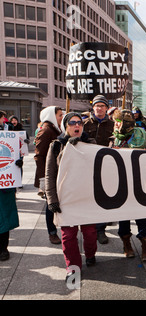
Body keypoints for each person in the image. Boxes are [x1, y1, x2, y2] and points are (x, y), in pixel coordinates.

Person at [45, 112, 97, 281]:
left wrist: (81, 148)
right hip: (66, 198)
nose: (77, 126)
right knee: (68, 235)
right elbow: (50, 174)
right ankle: (73, 267)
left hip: (86, 196)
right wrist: (52, 200)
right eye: (73, 123)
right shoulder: (56, 145)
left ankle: (90, 255)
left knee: (90, 232)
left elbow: (97, 167)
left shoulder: (90, 143)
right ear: (66, 127)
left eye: (80, 123)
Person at [110, 109, 146, 261]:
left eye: (117, 122)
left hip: (138, 182)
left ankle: (145, 246)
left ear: (125, 124)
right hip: (121, 184)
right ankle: (126, 245)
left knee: (141, 214)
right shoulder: (114, 138)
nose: (115, 125)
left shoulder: (141, 136)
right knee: (123, 215)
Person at [83, 95, 115, 244]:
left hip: (107, 165)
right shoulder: (84, 123)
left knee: (103, 197)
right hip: (88, 165)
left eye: (102, 106)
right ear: (93, 107)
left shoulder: (113, 124)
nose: (99, 108)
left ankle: (100, 229)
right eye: (97, 106)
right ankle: (90, 226)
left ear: (106, 108)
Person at [34, 106, 64, 244]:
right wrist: (43, 179)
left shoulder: (55, 129)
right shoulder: (46, 131)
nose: (62, 117)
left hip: (57, 173)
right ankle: (52, 232)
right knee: (50, 204)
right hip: (48, 175)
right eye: (59, 115)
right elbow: (39, 156)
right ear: (52, 115)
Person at [0, 110, 24, 261]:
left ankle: (3, 248)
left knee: (4, 216)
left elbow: (17, 150)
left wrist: (17, 161)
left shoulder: (9, 132)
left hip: (4, 183)